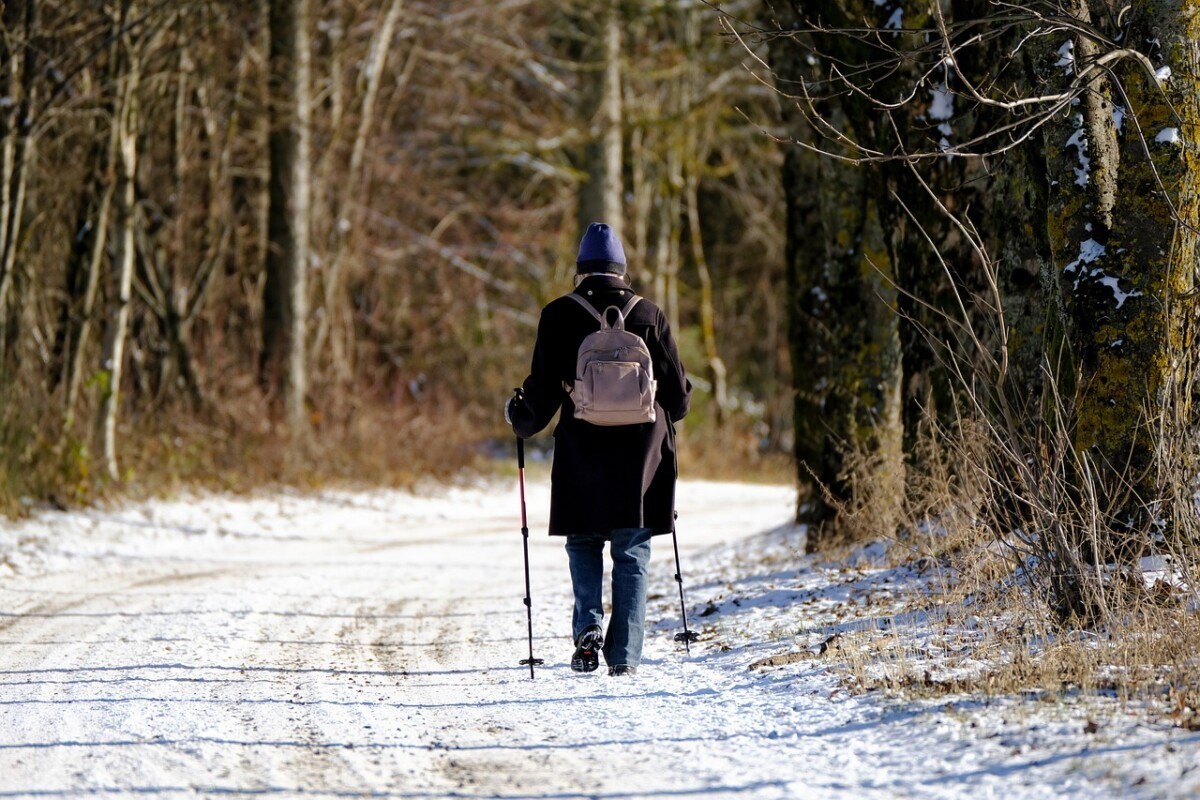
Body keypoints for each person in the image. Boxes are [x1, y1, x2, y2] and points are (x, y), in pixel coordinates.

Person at [506, 222, 691, 677]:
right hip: (642, 454)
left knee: (584, 539)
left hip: (582, 447)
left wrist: (519, 416)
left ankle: (587, 629)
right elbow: (680, 399)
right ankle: (624, 656)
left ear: (581, 271)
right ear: (622, 271)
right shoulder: (649, 315)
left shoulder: (558, 315)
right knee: (631, 549)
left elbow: (542, 394)